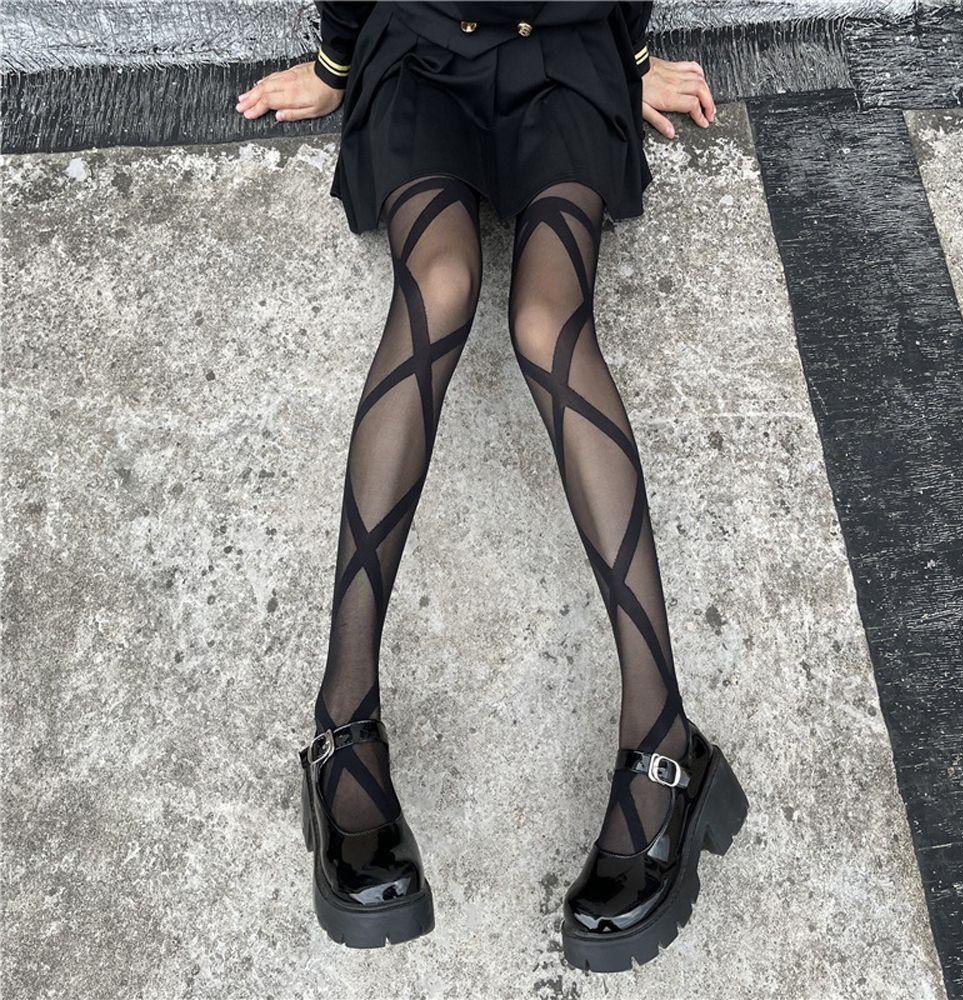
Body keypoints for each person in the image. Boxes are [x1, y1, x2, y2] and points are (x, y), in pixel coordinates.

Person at [236, 1, 747, 973]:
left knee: (546, 323)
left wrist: (631, 54)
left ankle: (664, 738)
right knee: (437, 289)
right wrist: (339, 62)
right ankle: (341, 720)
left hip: (564, 56)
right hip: (421, 52)